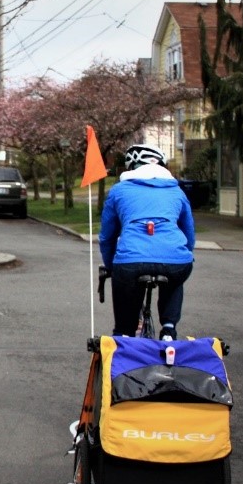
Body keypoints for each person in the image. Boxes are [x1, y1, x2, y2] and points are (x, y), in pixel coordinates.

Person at [99, 143, 196, 340]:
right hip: (176, 260)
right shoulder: (176, 191)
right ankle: (169, 329)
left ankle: (124, 334)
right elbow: (189, 233)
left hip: (130, 263)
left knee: (124, 289)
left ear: (131, 167)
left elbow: (107, 237)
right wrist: (185, 253)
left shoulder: (119, 191)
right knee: (176, 276)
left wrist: (111, 266)